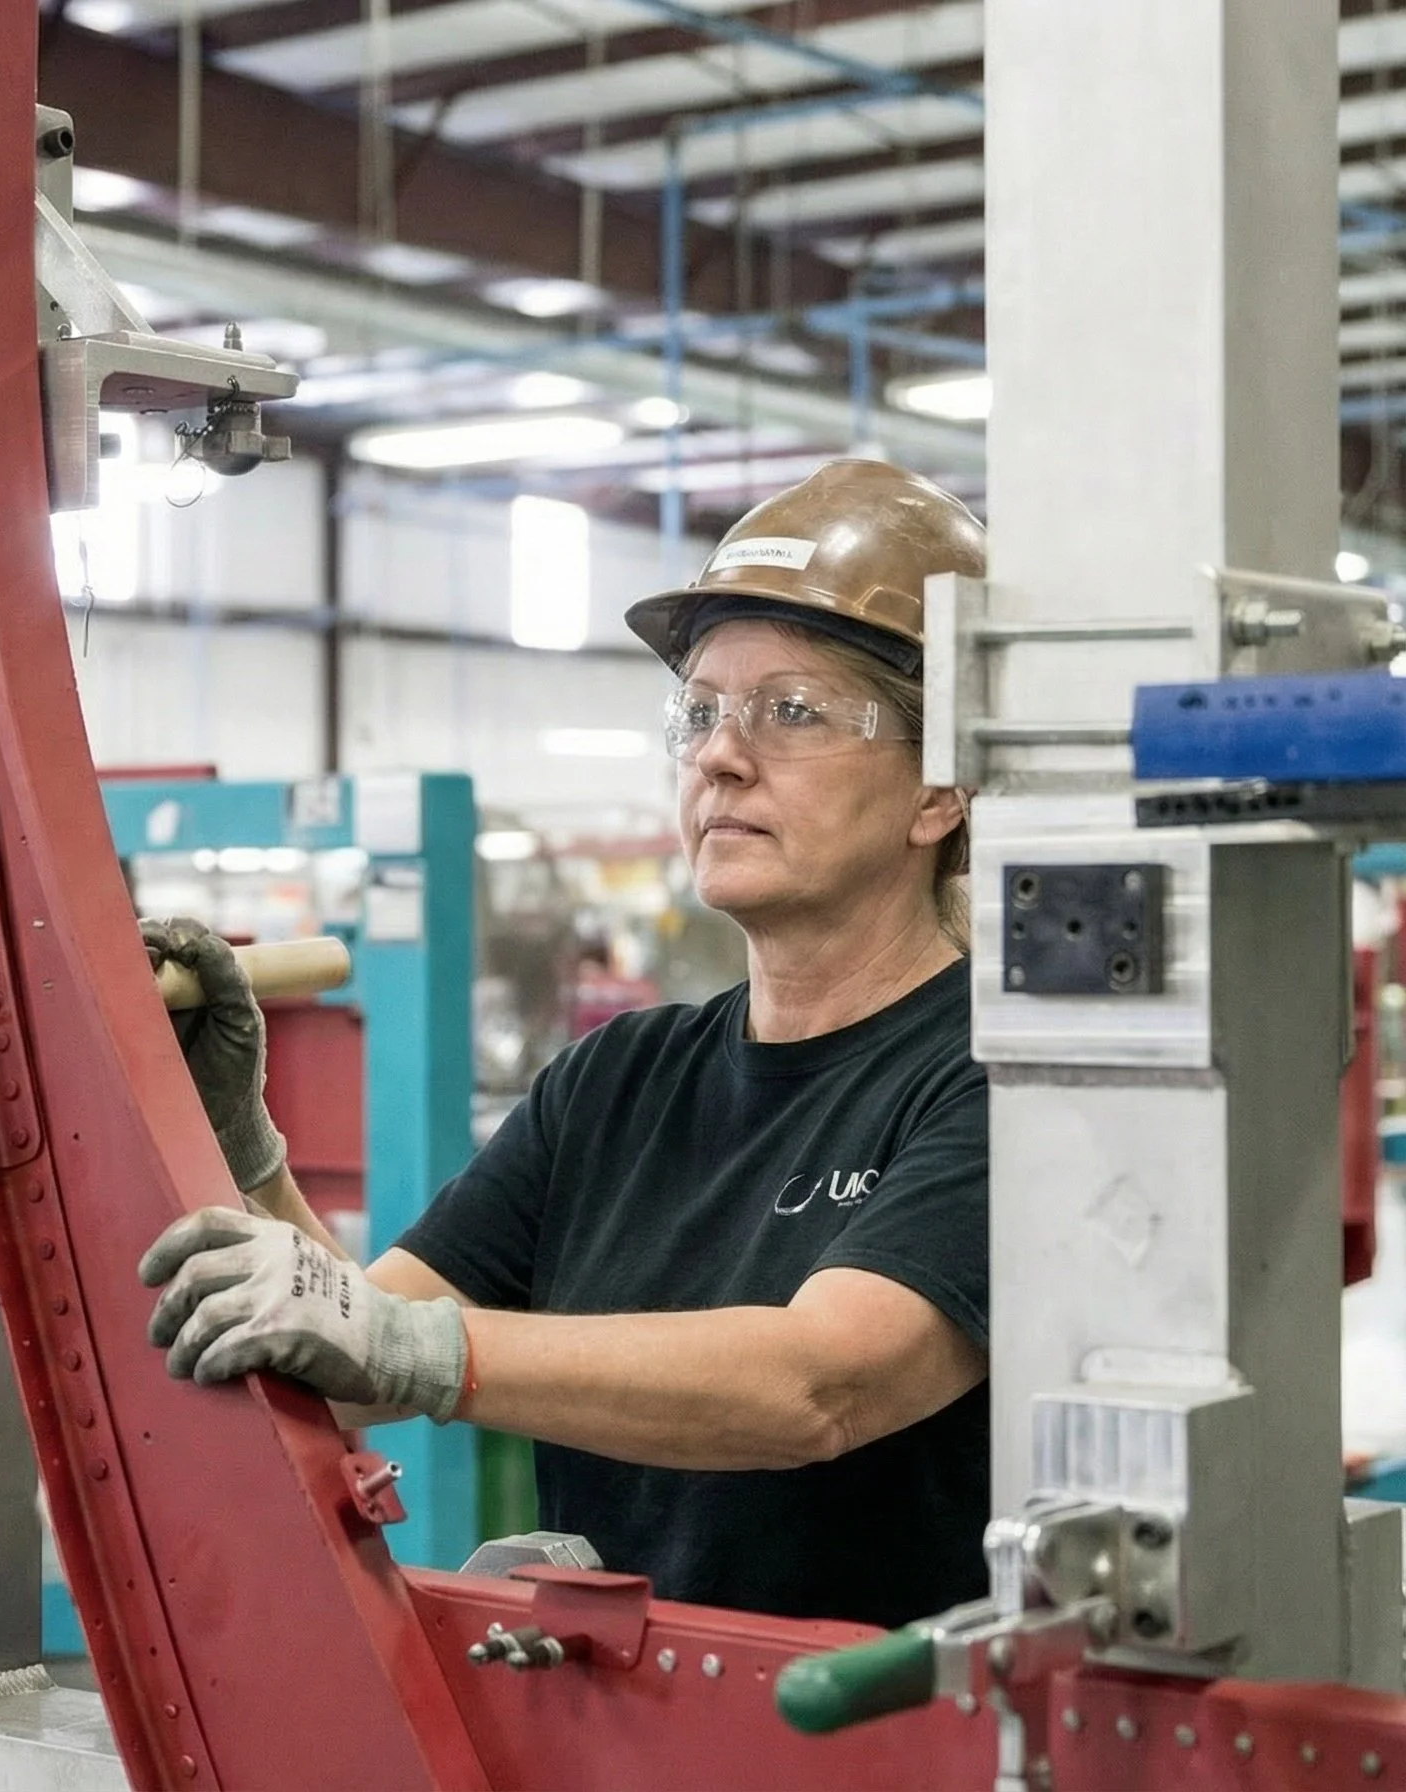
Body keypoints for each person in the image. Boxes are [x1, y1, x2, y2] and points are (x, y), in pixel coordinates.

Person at [137, 459, 990, 1629]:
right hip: (606, 1723)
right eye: (701, 711)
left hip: (880, 1740)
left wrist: (422, 1351)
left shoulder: (996, 1073)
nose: (720, 755)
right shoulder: (620, 1080)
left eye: (791, 710)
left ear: (940, 787)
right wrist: (239, 1142)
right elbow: (345, 1367)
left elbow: (820, 1385)